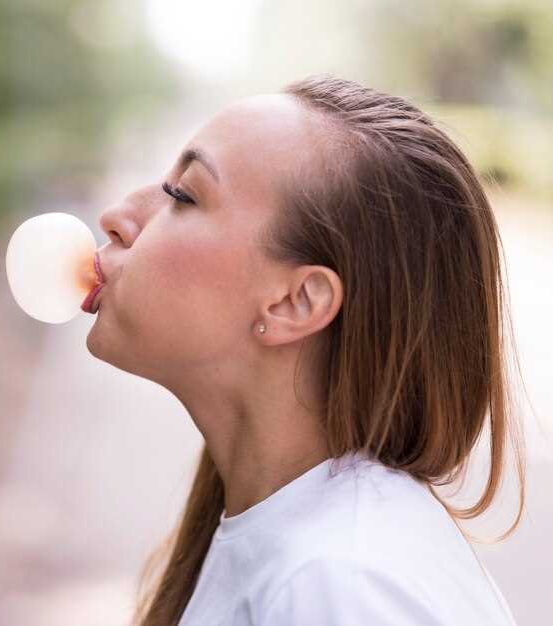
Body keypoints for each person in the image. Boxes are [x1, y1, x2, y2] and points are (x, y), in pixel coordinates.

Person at [86, 73, 525, 625]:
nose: (118, 217)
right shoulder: (303, 546)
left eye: (183, 194)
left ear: (296, 301)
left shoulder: (341, 586)